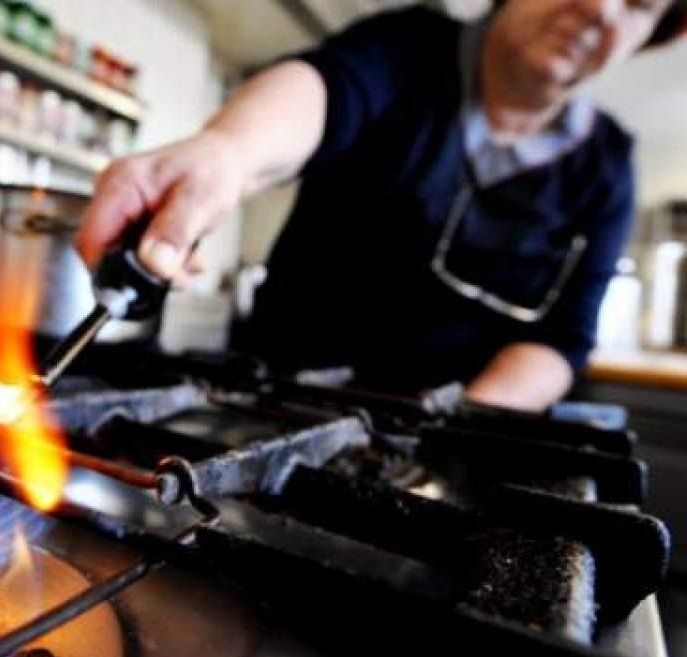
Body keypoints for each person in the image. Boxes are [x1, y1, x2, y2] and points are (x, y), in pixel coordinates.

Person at [75, 0, 687, 411]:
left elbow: (563, 339)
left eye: (639, 3)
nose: (601, 7)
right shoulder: (409, 46)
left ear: (653, 34)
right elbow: (324, 90)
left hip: (443, 451)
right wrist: (226, 153)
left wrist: (455, 428)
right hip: (271, 406)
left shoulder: (608, 168)